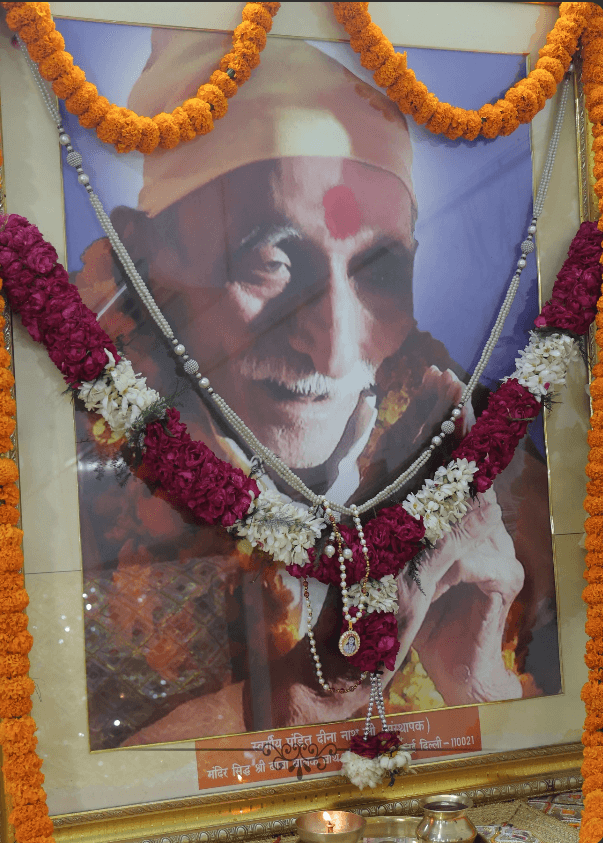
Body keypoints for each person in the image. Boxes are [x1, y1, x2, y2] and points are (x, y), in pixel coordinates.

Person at [70, 31, 558, 749]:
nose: (333, 343)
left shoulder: (476, 462)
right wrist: (282, 704)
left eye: (377, 269)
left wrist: (480, 693)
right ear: (150, 256)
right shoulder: (63, 480)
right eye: (271, 260)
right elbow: (64, 788)